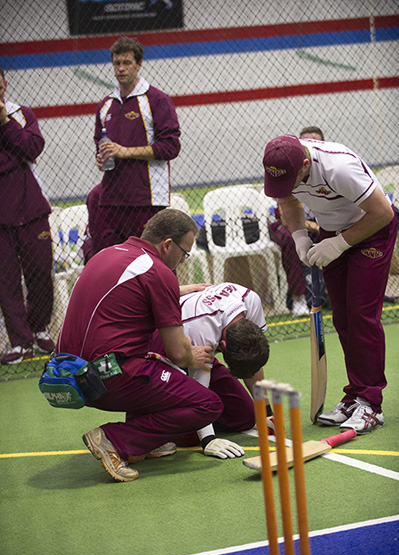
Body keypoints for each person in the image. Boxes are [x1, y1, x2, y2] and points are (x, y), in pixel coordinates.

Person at [56, 209, 245, 483]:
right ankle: (113, 439)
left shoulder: (108, 253)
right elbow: (178, 354)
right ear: (167, 245)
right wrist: (192, 357)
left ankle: (147, 442)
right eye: (184, 253)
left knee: (152, 358)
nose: (182, 261)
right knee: (209, 405)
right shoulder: (159, 272)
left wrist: (173, 291)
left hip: (70, 373)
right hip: (108, 378)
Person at [263, 134, 397, 433]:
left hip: (371, 229)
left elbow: (383, 213)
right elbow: (288, 200)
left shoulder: (339, 168)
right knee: (343, 317)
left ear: (307, 164)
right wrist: (298, 235)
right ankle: (356, 395)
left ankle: (371, 404)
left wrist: (338, 244)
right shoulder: (281, 164)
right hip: (332, 232)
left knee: (361, 314)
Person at [150, 282, 273, 453]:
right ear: (221, 346)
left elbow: (252, 359)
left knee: (244, 416)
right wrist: (208, 440)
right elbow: (199, 390)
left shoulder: (250, 300)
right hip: (164, 351)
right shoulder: (202, 328)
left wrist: (266, 411)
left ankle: (183, 415)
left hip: (199, 342)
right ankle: (157, 420)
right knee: (191, 436)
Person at [91, 36, 181, 255]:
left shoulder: (156, 100)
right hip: (112, 198)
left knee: (154, 264)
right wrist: (102, 159)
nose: (121, 69)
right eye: (116, 63)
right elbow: (99, 143)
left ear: (139, 64)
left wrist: (125, 151)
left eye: (127, 63)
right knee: (109, 262)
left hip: (147, 198)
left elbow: (171, 147)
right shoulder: (106, 105)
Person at [0, 66, 55, 365]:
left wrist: (5, 124)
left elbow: (33, 147)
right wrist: (15, 156)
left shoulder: (21, 114)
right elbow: (20, 153)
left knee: (40, 273)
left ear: (4, 85)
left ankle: (39, 329)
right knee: (5, 282)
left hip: (32, 210)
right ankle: (20, 342)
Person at [267, 127, 325, 317]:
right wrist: (310, 229)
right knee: (292, 240)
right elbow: (286, 215)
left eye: (314, 141)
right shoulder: (289, 169)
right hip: (289, 223)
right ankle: (298, 298)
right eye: (305, 141)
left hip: (320, 221)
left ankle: (331, 293)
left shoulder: (327, 172)